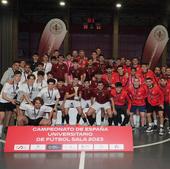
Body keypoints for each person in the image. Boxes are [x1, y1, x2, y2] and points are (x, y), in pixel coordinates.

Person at [0, 70, 22, 138]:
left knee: (11, 115)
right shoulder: (8, 83)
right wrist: (11, 100)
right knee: (2, 117)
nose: (18, 78)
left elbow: (17, 93)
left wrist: (18, 99)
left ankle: (7, 129)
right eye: (17, 76)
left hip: (10, 101)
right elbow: (3, 96)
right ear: (14, 76)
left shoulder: (18, 84)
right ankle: (0, 131)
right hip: (2, 101)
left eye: (19, 76)